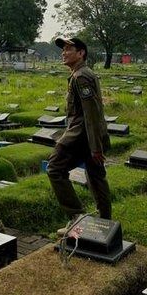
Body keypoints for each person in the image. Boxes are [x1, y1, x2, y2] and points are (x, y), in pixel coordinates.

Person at [46, 36, 112, 233]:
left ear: (81, 53)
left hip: (80, 137)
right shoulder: (81, 74)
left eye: (68, 49)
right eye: (63, 49)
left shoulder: (81, 76)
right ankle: (106, 223)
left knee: (55, 169)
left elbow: (91, 115)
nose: (63, 53)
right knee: (96, 177)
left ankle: (76, 217)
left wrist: (95, 148)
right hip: (88, 137)